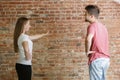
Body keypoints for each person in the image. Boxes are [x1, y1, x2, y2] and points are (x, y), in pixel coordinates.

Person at [84, 5, 110, 80]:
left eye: (86, 14)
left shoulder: (92, 26)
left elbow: (88, 39)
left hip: (97, 59)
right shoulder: (103, 27)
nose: (84, 15)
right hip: (106, 60)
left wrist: (87, 51)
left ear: (91, 16)